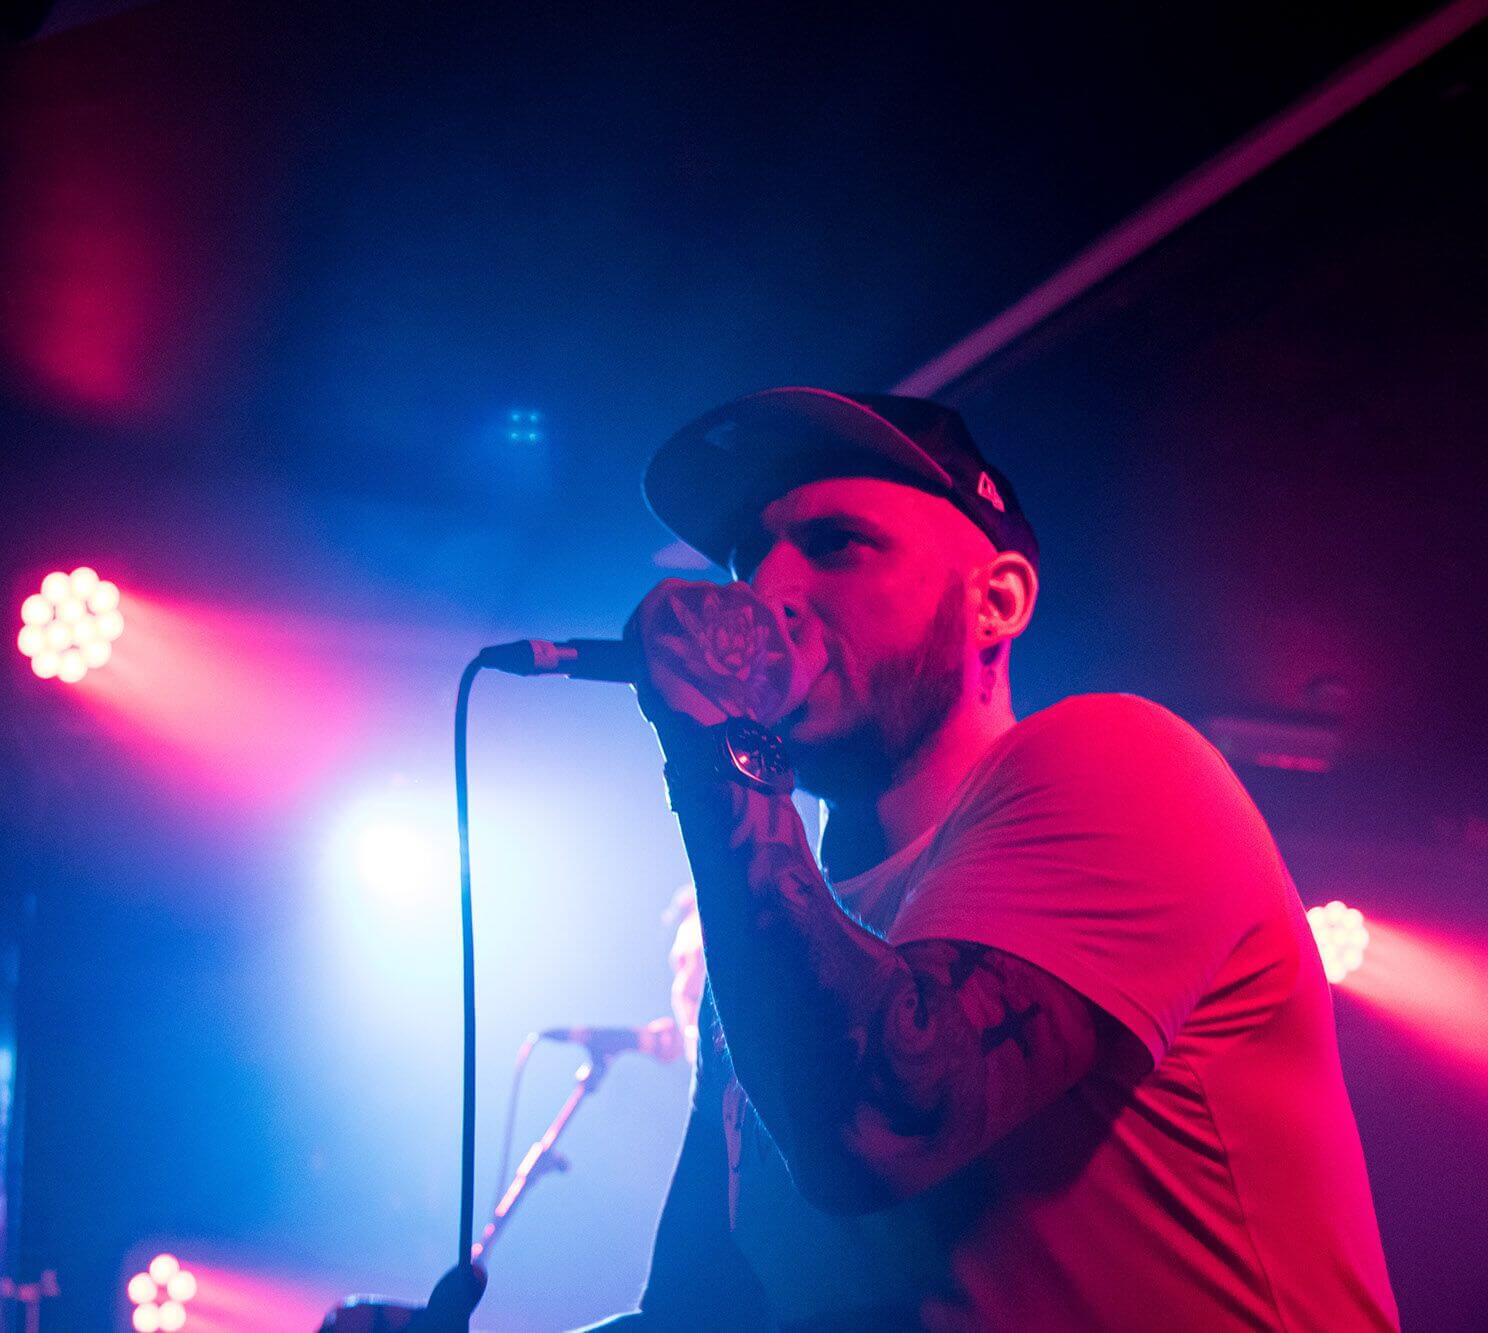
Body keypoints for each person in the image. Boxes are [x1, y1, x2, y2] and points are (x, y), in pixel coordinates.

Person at [584, 389, 1397, 1331]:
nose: (766, 590)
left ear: (996, 598)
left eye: (837, 543)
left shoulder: (1120, 763)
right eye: (744, 560)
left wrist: (716, 740)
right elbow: (699, 1310)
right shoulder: (771, 936)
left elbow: (879, 1122)